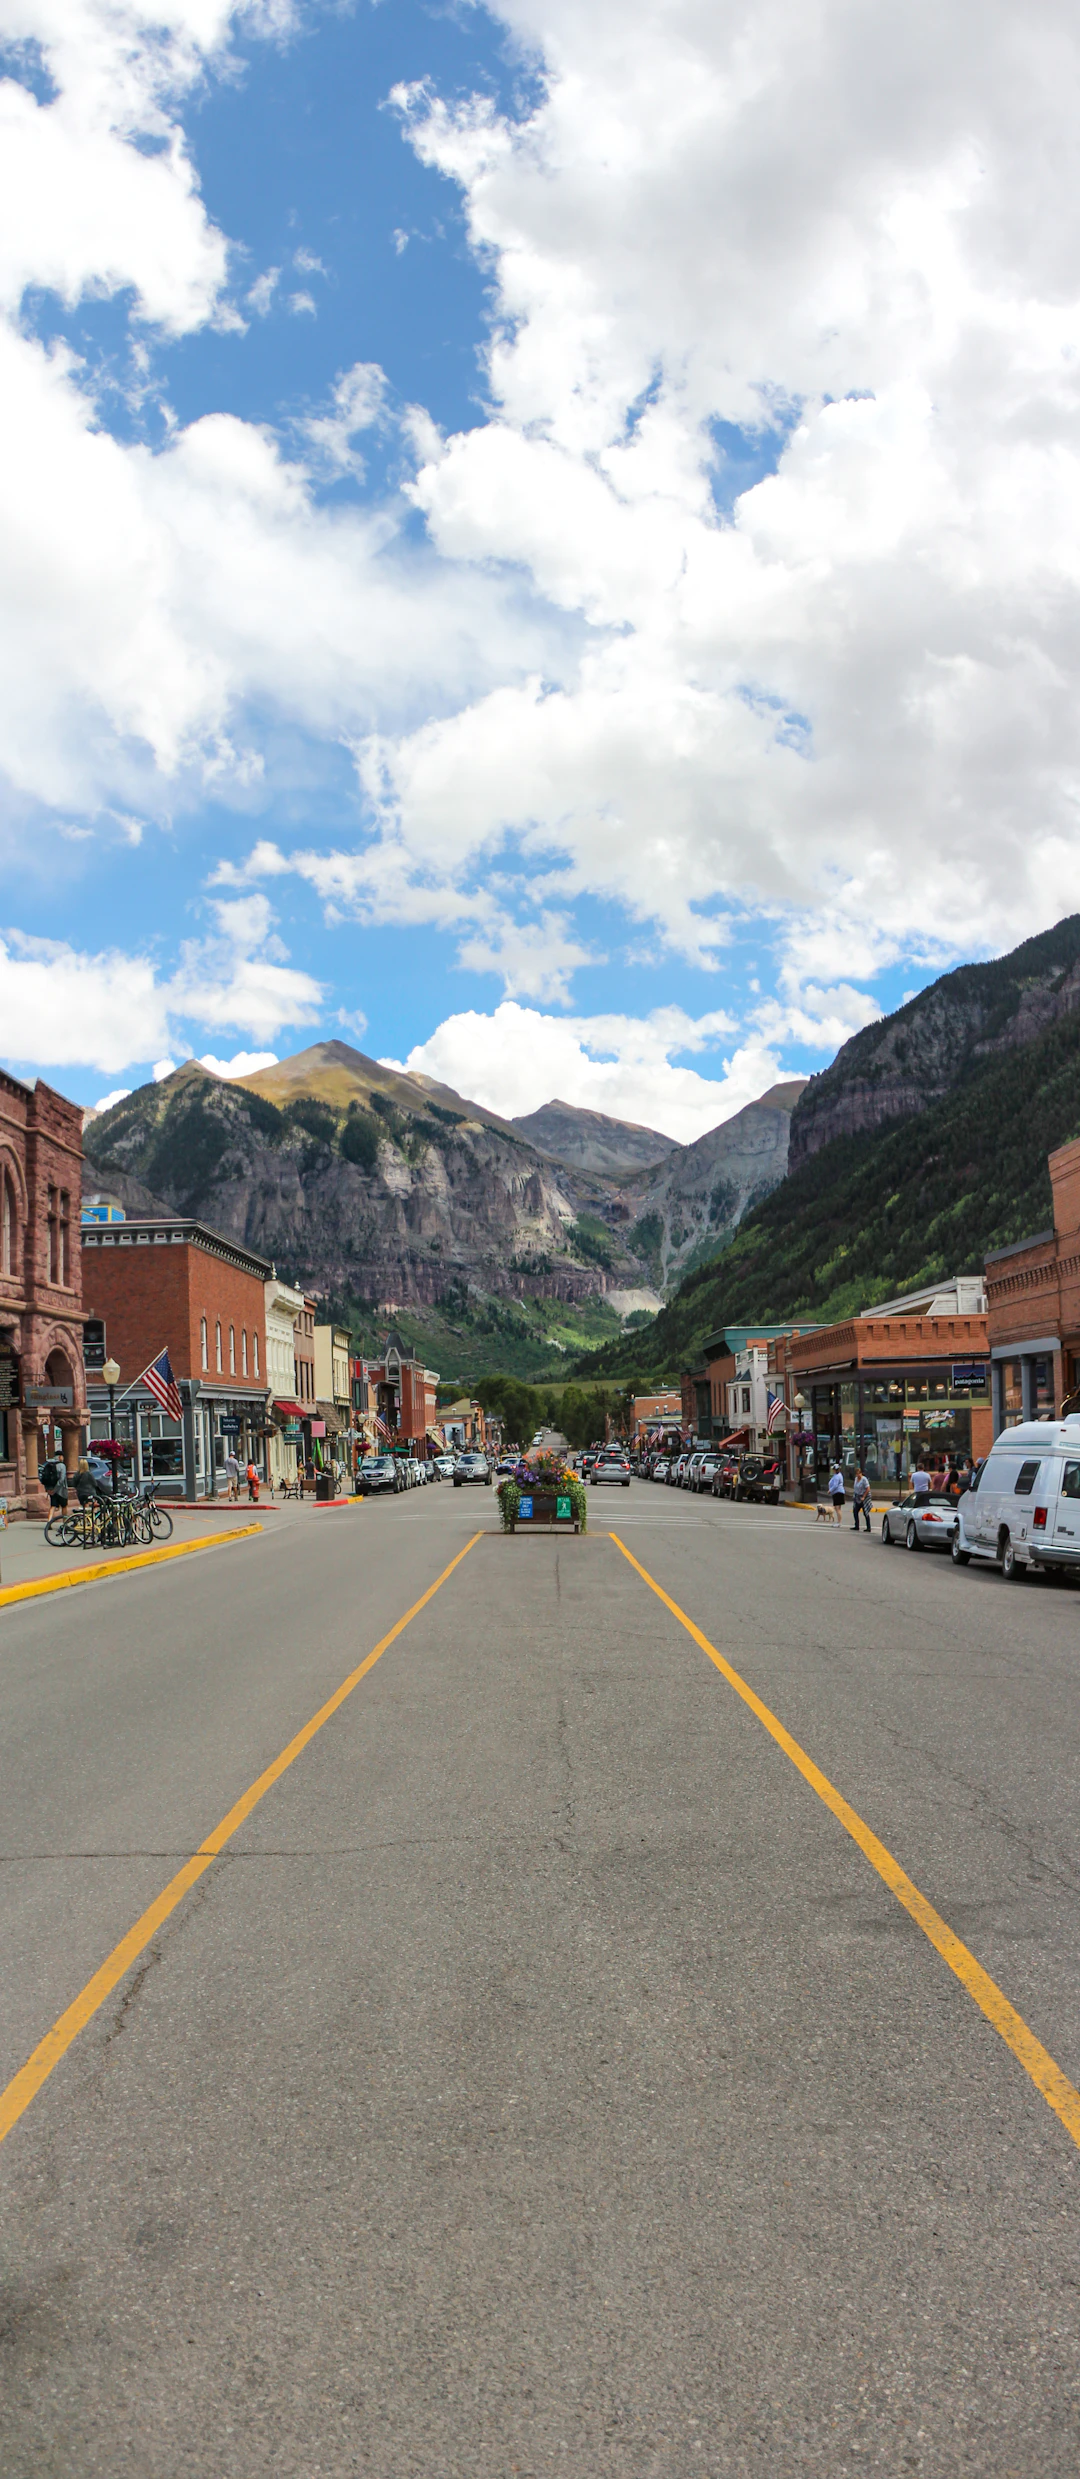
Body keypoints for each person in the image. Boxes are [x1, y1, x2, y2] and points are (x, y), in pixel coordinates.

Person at [852, 1465, 872, 1532]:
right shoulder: (856, 1479)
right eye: (857, 1474)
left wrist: (864, 1496)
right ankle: (856, 1526)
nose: (858, 1475)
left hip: (864, 1497)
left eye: (859, 1473)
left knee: (865, 1512)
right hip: (857, 1497)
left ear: (861, 1473)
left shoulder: (864, 1479)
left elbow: (868, 1488)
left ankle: (868, 1527)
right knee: (855, 1511)